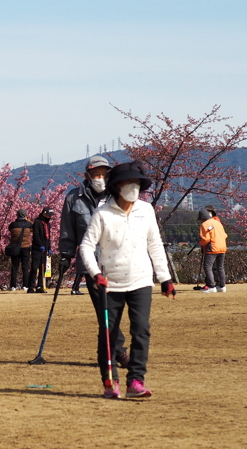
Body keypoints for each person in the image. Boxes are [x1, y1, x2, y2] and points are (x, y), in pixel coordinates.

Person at [80, 161, 175, 399]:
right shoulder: (102, 213)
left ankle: (136, 381)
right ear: (116, 186)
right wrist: (96, 274)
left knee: (141, 330)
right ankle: (109, 382)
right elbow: (86, 246)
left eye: (136, 183)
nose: (133, 188)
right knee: (108, 333)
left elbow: (154, 244)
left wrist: (165, 278)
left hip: (141, 281)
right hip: (110, 283)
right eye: (127, 183)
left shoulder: (146, 210)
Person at [58, 155, 130, 366]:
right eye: (96, 174)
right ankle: (119, 352)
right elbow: (67, 230)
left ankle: (106, 352)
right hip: (91, 265)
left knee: (113, 310)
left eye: (104, 174)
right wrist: (65, 254)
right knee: (104, 309)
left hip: (118, 261)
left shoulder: (117, 196)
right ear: (87, 176)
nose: (100, 178)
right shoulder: (74, 198)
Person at [198, 207, 228, 293]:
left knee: (208, 267)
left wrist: (201, 243)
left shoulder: (204, 224)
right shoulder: (218, 223)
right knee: (220, 267)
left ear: (202, 218)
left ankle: (211, 286)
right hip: (222, 247)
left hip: (212, 248)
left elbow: (206, 239)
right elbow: (225, 235)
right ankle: (222, 286)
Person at [28, 206, 55, 293]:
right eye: (49, 215)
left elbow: (48, 237)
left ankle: (40, 286)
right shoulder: (37, 222)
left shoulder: (48, 224)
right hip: (37, 249)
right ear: (44, 214)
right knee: (34, 268)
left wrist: (49, 248)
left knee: (42, 268)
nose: (50, 217)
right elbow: (35, 235)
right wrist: (40, 245)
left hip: (45, 249)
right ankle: (31, 287)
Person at [6, 210, 33, 291]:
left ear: (17, 215)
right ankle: (25, 285)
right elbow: (32, 229)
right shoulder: (29, 224)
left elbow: (10, 230)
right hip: (25, 247)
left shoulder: (12, 225)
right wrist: (28, 220)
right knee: (25, 267)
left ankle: (13, 286)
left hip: (15, 248)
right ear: (25, 215)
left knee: (14, 267)